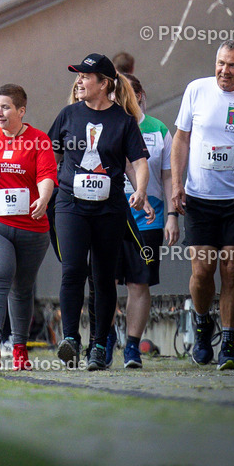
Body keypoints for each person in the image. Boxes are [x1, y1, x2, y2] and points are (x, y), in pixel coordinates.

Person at [170, 40, 234, 371]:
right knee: (202, 272)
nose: (223, 71)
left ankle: (228, 343)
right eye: (220, 63)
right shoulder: (196, 90)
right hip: (199, 196)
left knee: (231, 270)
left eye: (231, 65)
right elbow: (181, 138)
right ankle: (202, 326)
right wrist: (176, 184)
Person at [48, 53, 149, 371]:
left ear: (104, 83)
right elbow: (49, 156)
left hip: (109, 209)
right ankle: (71, 341)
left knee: (104, 278)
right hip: (70, 206)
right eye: (77, 76)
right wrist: (44, 193)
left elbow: (139, 162)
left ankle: (99, 345)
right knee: (73, 269)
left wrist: (141, 191)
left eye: (85, 77)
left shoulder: (123, 120)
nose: (78, 81)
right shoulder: (68, 115)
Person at [0, 84, 58, 370]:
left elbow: (46, 176)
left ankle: (19, 347)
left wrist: (43, 197)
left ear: (21, 111)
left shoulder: (39, 140)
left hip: (31, 226)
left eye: (6, 107)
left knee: (23, 288)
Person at [116, 75, 179, 369]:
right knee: (103, 281)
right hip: (110, 217)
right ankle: (101, 343)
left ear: (140, 95)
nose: (119, 99)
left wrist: (171, 215)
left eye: (126, 93)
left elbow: (168, 176)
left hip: (148, 219)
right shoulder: (106, 126)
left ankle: (131, 347)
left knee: (138, 283)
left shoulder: (157, 129)